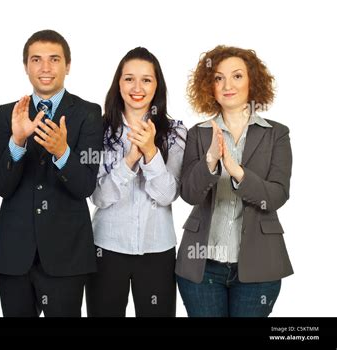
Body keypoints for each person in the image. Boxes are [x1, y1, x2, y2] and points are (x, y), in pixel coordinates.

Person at [0, 30, 103, 317]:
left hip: (67, 255)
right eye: (36, 60)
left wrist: (62, 152)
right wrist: (17, 143)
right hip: (15, 254)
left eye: (54, 59)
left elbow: (86, 186)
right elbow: (1, 187)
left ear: (68, 65)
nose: (45, 67)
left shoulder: (88, 113)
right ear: (26, 66)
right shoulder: (8, 114)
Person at [175, 45, 293, 317]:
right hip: (202, 266)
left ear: (252, 81)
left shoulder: (277, 134)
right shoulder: (198, 133)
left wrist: (237, 171)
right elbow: (190, 194)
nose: (228, 85)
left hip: (259, 266)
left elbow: (276, 195)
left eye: (237, 76)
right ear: (210, 86)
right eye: (218, 78)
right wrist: (210, 162)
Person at [86, 47, 187, 317]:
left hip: (158, 249)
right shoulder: (98, 130)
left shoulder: (175, 132)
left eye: (147, 79)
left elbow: (167, 195)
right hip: (106, 247)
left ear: (157, 86)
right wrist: (130, 159)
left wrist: (151, 153)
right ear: (118, 83)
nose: (137, 87)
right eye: (129, 78)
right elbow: (98, 197)